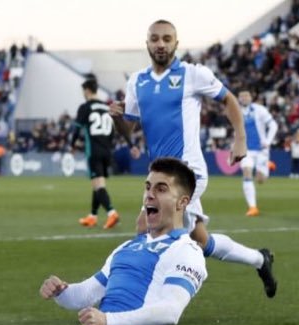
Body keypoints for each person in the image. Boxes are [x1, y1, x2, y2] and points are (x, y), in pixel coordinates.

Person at [0, 157, 206, 325]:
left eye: (161, 189)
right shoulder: (127, 247)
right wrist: (61, 291)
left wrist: (108, 321)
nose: (149, 195)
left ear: (183, 202)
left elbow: (170, 313)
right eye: (147, 187)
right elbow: (87, 293)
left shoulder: (187, 251)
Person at [109, 19, 277, 298]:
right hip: (160, 175)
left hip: (189, 171)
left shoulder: (192, 74)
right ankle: (260, 260)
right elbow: (129, 131)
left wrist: (240, 138)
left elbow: (229, 99)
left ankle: (143, 298)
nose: (160, 44)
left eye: (166, 38)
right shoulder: (137, 82)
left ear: (176, 42)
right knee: (201, 239)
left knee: (146, 225)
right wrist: (118, 119)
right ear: (147, 43)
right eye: (155, 39)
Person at [72, 78, 120, 229]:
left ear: (87, 90)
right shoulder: (106, 107)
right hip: (106, 150)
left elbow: (77, 129)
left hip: (94, 150)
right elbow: (113, 131)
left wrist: (72, 145)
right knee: (98, 184)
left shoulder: (85, 107)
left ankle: (112, 213)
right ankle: (92, 216)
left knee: (98, 185)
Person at [238, 89, 278, 216]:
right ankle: (253, 207)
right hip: (246, 150)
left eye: (246, 95)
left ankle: (267, 165)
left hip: (262, 150)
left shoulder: (260, 110)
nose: (244, 98)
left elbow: (273, 125)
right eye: (242, 96)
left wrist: (268, 141)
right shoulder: (236, 111)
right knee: (247, 172)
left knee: (261, 179)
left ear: (251, 97)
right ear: (239, 99)